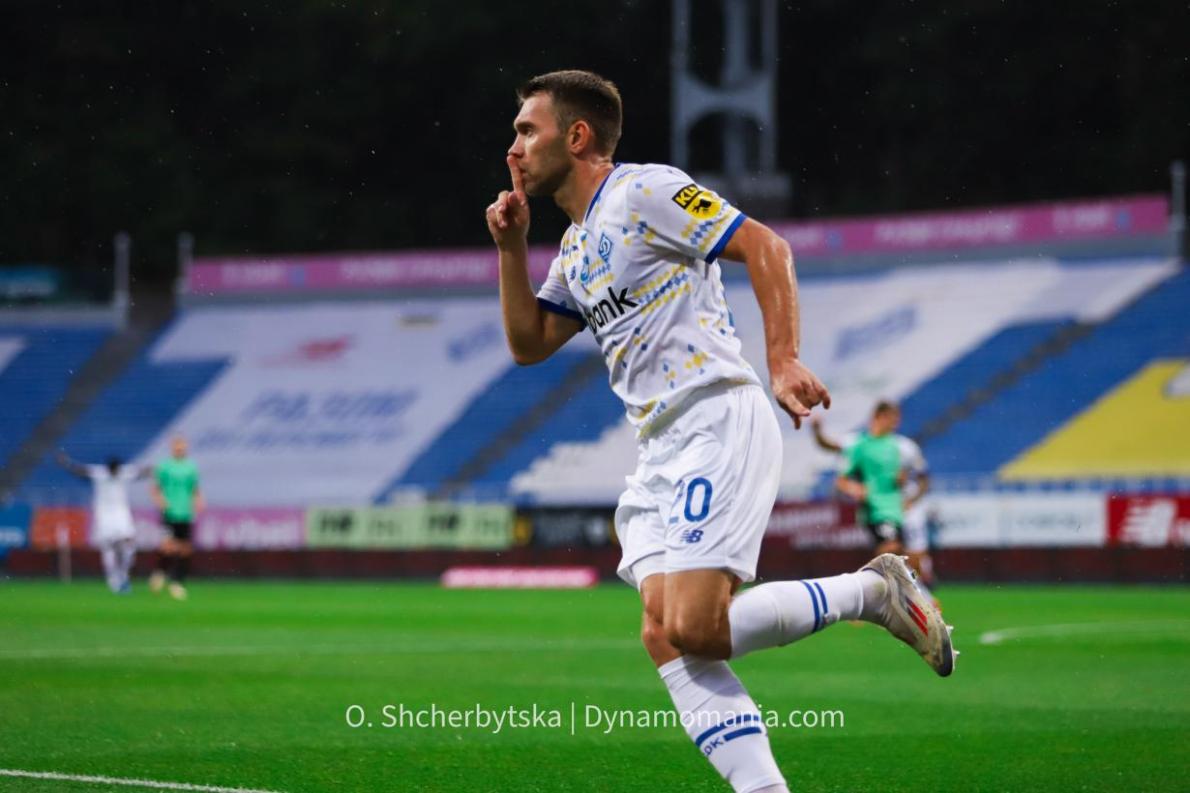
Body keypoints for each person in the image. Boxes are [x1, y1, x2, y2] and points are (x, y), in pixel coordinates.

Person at [485, 69, 956, 793]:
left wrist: (783, 357)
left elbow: (767, 246)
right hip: (658, 448)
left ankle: (870, 592)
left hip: (715, 419)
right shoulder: (576, 246)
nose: (513, 147)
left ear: (576, 136)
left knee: (698, 627)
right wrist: (511, 248)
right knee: (663, 632)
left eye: (527, 130)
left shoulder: (643, 192)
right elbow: (529, 341)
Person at [812, 402, 938, 603]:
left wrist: (911, 499)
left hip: (906, 508)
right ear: (879, 417)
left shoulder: (904, 446)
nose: (896, 424)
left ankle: (907, 596)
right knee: (891, 549)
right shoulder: (859, 443)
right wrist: (817, 430)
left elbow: (923, 478)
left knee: (913, 558)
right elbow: (830, 448)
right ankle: (868, 596)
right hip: (878, 508)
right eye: (893, 419)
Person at [56, 450, 150, 594]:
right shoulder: (100, 473)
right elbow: (81, 471)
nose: (114, 473)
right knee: (109, 547)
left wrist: (158, 468)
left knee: (128, 544)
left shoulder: (124, 473)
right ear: (108, 469)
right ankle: (113, 580)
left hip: (121, 514)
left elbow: (142, 473)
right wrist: (66, 463)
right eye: (112, 471)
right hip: (104, 516)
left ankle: (124, 575)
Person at [148, 435, 203, 600]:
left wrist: (199, 501)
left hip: (185, 512)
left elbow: (195, 489)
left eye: (182, 446)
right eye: (177, 446)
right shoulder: (165, 467)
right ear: (172, 447)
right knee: (168, 546)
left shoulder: (191, 467)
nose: (180, 449)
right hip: (169, 512)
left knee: (185, 549)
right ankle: (160, 572)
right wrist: (160, 502)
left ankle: (177, 582)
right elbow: (155, 489)